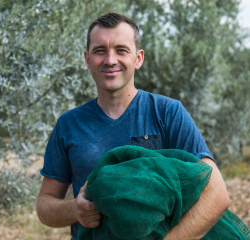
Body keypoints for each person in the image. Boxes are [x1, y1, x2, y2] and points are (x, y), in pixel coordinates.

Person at [36, 12, 230, 240]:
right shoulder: (68, 124)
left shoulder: (167, 112)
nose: (110, 60)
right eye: (100, 51)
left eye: (121, 50)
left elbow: (217, 195)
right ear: (87, 59)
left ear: (138, 58)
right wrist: (74, 209)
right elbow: (44, 205)